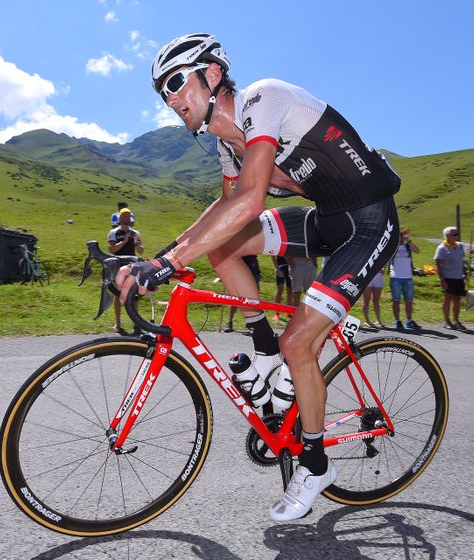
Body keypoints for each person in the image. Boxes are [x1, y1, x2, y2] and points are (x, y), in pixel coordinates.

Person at [117, 33, 402, 522]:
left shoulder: (262, 99)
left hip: (370, 222)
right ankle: (266, 351)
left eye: (174, 83)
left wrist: (165, 265)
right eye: (160, 92)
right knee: (224, 245)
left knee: (301, 344)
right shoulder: (231, 145)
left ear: (211, 75)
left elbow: (250, 201)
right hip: (326, 218)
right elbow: (226, 210)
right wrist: (165, 255)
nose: (168, 99)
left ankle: (315, 465)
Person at [107, 208, 143, 335]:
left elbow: (140, 251)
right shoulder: (113, 232)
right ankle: (118, 323)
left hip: (132, 266)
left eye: (128, 216)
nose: (126, 218)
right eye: (124, 216)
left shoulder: (136, 233)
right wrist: (125, 241)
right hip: (117, 267)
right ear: (120, 218)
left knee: (134, 296)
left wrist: (137, 244)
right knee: (118, 295)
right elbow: (111, 249)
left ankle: (137, 323)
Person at [434, 227, 467, 330]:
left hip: (459, 277)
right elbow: (438, 265)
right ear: (447, 236)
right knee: (448, 299)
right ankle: (447, 321)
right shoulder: (441, 248)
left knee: (457, 299)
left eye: (457, 233)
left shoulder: (460, 246)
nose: (457, 236)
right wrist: (442, 280)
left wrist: (465, 272)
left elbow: (462, 261)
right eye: (455, 234)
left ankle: (456, 320)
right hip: (448, 277)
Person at [389, 228, 421, 330]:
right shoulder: (393, 246)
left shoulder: (407, 246)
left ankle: (409, 321)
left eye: (403, 235)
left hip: (408, 278)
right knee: (396, 301)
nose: (402, 237)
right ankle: (398, 321)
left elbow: (417, 250)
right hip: (396, 278)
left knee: (409, 301)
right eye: (400, 235)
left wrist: (409, 241)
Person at [225, 255, 261, 332]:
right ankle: (230, 322)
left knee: (253, 300)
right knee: (235, 297)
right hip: (241, 272)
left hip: (253, 270)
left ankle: (252, 323)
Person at [271, 255, 292, 321]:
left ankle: (288, 312)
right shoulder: (277, 245)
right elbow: (273, 256)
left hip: (290, 268)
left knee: (290, 290)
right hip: (280, 267)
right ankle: (276, 313)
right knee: (280, 289)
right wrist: (277, 269)